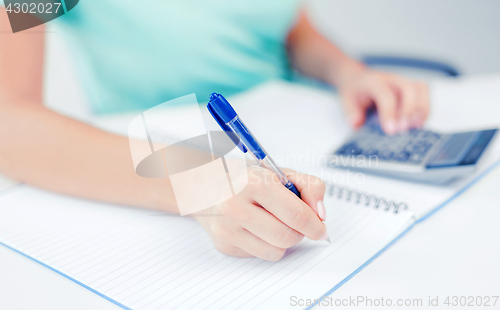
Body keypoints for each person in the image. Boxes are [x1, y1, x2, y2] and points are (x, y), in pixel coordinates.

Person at [0, 0, 428, 261]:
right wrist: (197, 182)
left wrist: (346, 72)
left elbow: (288, 27)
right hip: (149, 165)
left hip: (301, 130)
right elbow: (9, 123)